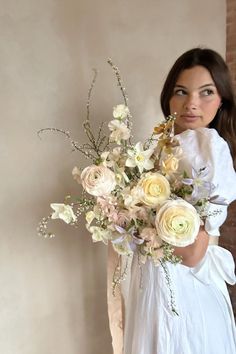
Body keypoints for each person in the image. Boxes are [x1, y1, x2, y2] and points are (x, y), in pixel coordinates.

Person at [123, 48, 236, 354]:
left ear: (222, 99)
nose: (191, 104)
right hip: (156, 280)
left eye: (206, 92)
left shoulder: (208, 146)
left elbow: (191, 254)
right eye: (181, 92)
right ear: (168, 97)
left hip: (183, 287)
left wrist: (147, 225)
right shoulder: (164, 146)